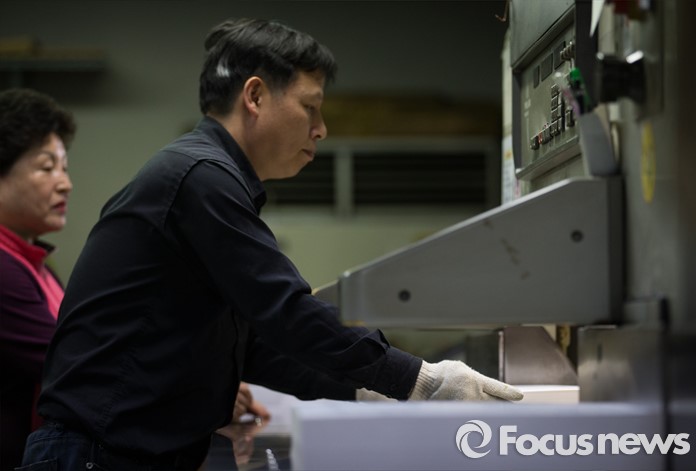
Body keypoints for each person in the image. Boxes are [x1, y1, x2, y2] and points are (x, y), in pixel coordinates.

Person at [21, 18, 523, 470]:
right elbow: (287, 311)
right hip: (94, 456)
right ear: (256, 96)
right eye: (310, 108)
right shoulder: (201, 176)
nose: (320, 129)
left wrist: (371, 390)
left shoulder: (208, 176)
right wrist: (423, 380)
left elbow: (258, 344)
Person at [0, 88, 75, 471]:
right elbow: (73, 365)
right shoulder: (3, 269)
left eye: (64, 167)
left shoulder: (35, 263)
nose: (65, 183)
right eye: (47, 168)